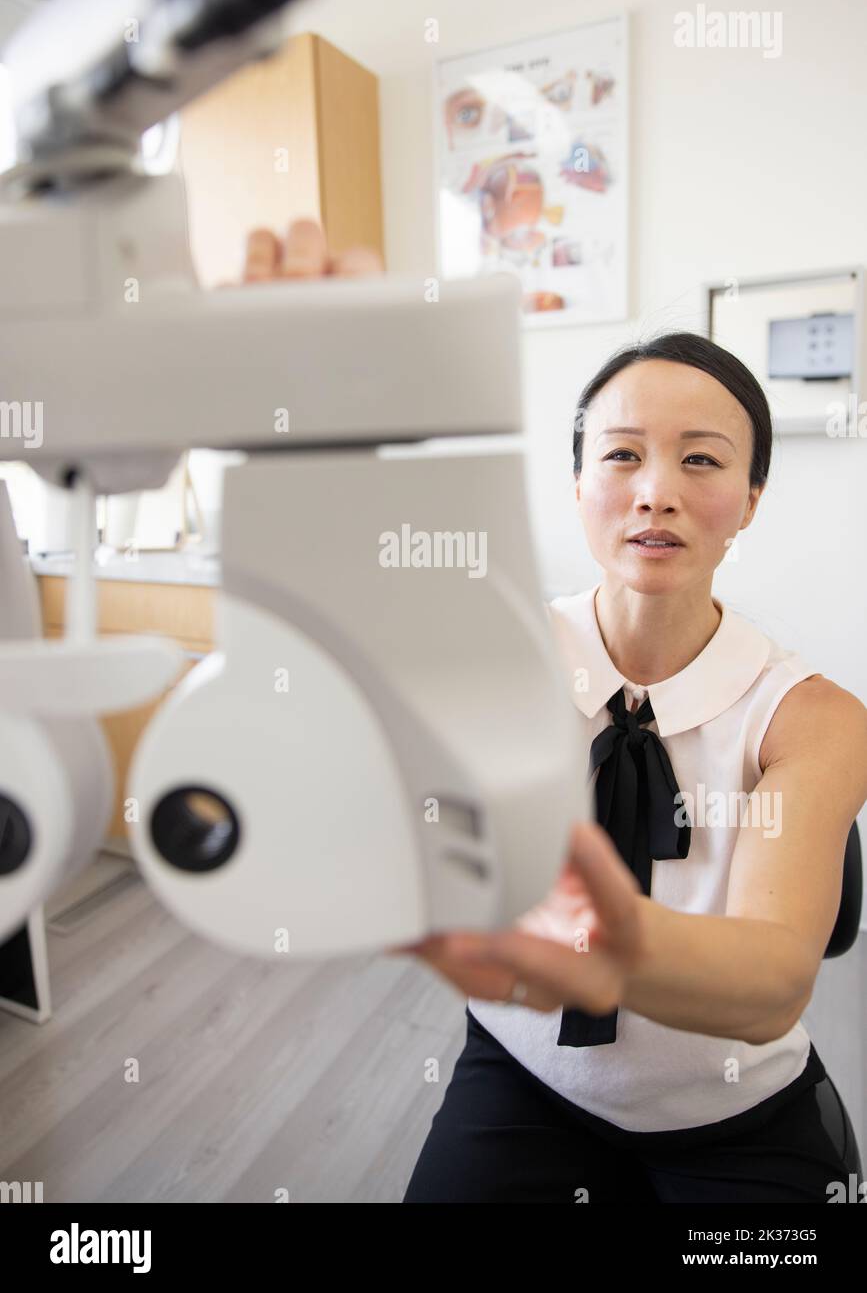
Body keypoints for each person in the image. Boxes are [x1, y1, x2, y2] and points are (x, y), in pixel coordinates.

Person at [236, 219, 867, 1203]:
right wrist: (310, 438)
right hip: (526, 1078)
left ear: (750, 498)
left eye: (702, 462)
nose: (656, 490)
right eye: (621, 455)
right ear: (577, 484)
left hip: (738, 1116)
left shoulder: (815, 716)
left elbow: (775, 982)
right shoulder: (502, 646)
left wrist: (604, 948)